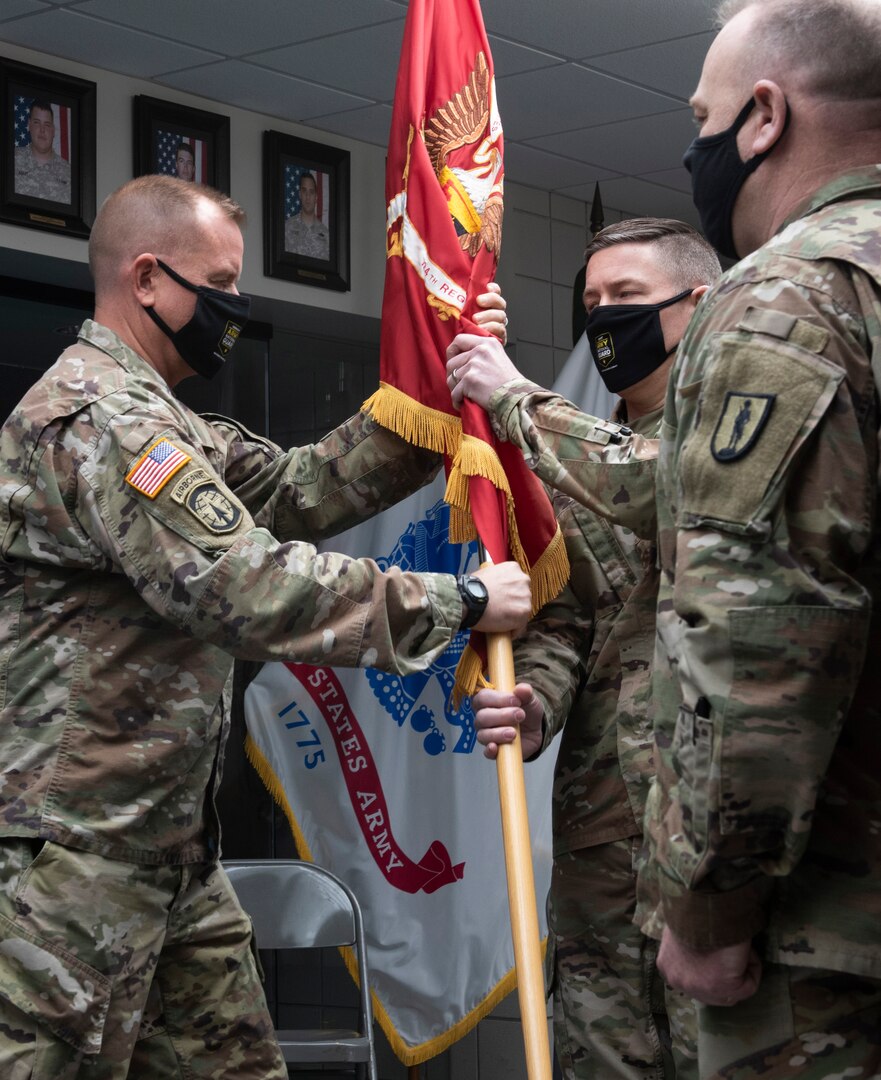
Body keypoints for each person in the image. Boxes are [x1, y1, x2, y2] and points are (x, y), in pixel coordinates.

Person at [0, 174, 531, 1079]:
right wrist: (460, 604)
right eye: (220, 287)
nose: (233, 309)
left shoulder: (170, 422)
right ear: (148, 279)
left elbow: (302, 488)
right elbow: (245, 587)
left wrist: (445, 378)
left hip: (169, 855)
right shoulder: (104, 422)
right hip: (77, 862)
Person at [637, 1, 881, 1075]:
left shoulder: (789, 298)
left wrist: (709, 914)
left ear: (762, 117)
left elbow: (757, 643)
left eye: (702, 114)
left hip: (829, 946)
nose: (692, 144)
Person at [458, 219, 721, 1079]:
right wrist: (533, 701)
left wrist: (513, 398)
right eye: (592, 302)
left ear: (699, 303)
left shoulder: (742, 427)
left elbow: (657, 484)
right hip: (605, 838)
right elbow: (567, 621)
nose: (604, 319)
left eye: (628, 299)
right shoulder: (565, 464)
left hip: (718, 837)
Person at [14, 99, 71, 203]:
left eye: (47, 125)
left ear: (53, 131)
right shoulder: (10, 161)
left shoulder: (69, 173)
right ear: (29, 125)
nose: (42, 130)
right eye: (37, 123)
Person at [284, 171, 330, 259]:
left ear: (316, 197)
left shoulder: (326, 234)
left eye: (311, 192)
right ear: (300, 194)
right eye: (304, 191)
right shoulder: (287, 227)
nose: (307, 197)